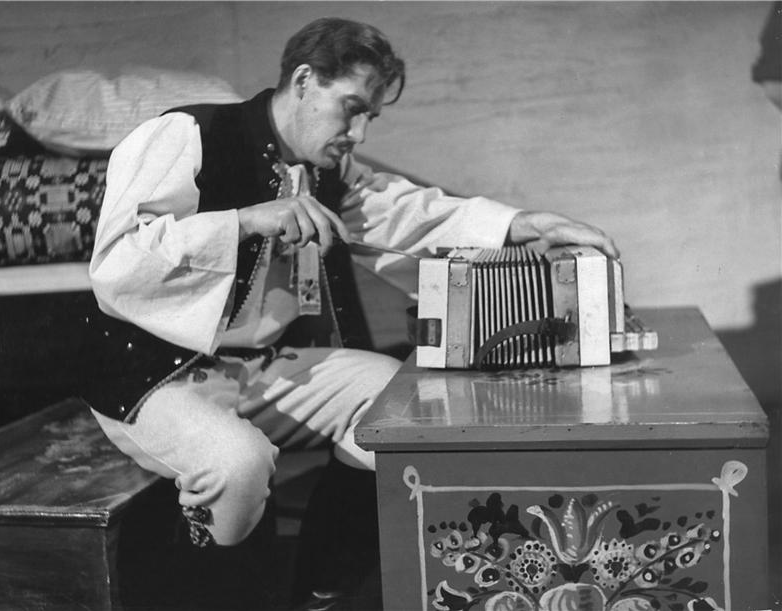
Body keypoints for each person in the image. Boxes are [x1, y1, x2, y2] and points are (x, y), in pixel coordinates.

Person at [81, 17, 618, 608]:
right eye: (352, 109)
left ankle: (323, 585)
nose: (358, 133)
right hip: (154, 374)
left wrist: (521, 224)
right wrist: (245, 221)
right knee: (238, 466)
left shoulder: (325, 170)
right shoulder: (188, 134)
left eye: (371, 118)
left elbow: (408, 213)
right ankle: (207, 590)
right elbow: (117, 263)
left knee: (399, 404)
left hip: (258, 368)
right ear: (304, 81)